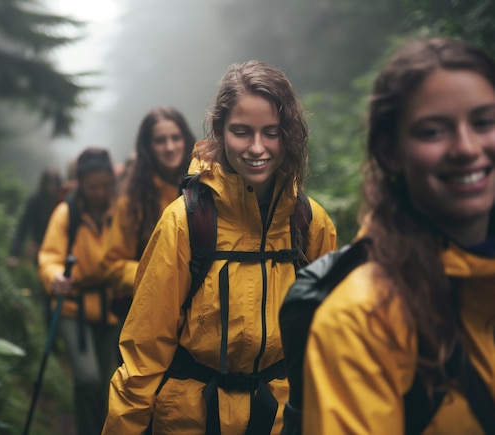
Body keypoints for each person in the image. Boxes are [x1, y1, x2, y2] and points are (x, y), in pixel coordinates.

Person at [102, 60, 337, 434]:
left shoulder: (309, 223)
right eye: (242, 132)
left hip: (280, 420)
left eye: (271, 132)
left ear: (289, 134)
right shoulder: (183, 222)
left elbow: (329, 344)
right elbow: (144, 352)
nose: (257, 147)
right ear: (220, 131)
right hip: (190, 421)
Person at [300, 37, 495, 434]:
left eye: (484, 122)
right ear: (390, 152)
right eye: (433, 131)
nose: (466, 147)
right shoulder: (360, 319)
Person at [38, 148, 120, 435]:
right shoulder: (66, 213)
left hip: (110, 307)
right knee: (87, 379)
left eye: (105, 185)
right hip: (73, 308)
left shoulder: (120, 210)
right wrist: (55, 275)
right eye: (93, 186)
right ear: (80, 184)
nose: (100, 192)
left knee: (107, 382)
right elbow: (49, 255)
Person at [102, 106, 196, 319]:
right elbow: (112, 265)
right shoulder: (133, 202)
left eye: (176, 138)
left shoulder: (208, 189)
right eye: (160, 141)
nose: (170, 147)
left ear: (186, 140)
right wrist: (157, 277)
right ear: (148, 147)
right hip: (153, 316)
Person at [7, 167, 62, 269]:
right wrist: (15, 254)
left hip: (58, 251)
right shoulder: (35, 201)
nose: (52, 187)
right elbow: (23, 226)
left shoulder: (62, 202)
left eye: (55, 183)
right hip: (38, 250)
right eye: (50, 183)